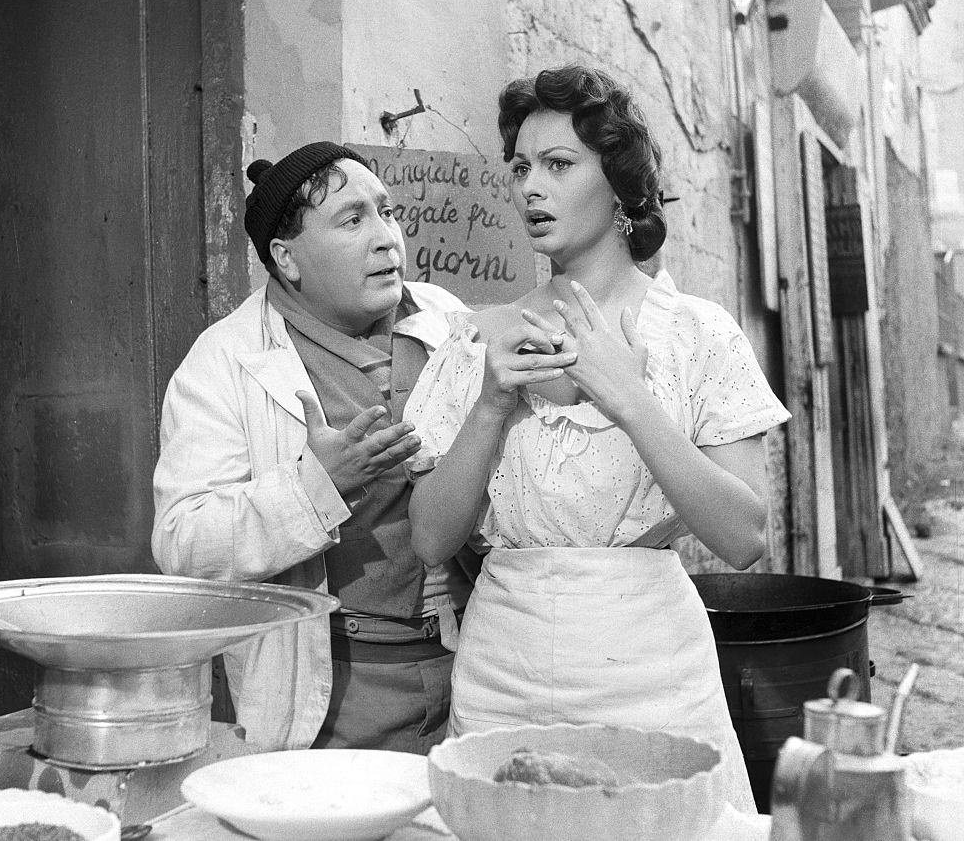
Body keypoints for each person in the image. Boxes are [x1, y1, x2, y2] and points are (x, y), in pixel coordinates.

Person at [404, 66, 791, 813]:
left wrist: (631, 400)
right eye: (520, 167)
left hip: (652, 672)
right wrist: (489, 404)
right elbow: (429, 539)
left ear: (618, 184)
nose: (529, 188)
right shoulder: (476, 336)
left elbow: (744, 536)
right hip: (503, 668)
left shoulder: (696, 334)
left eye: (558, 164)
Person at [152, 141, 471, 754]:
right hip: (341, 691)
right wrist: (315, 486)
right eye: (353, 220)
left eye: (387, 212)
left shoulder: (445, 319)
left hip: (475, 666)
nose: (387, 238)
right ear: (287, 259)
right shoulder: (223, 362)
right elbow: (182, 544)